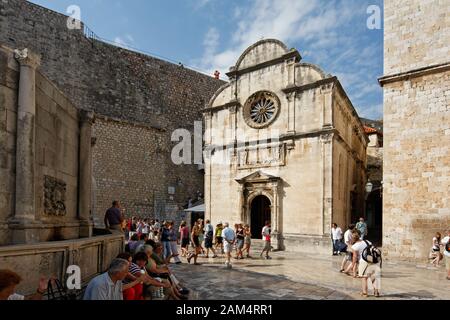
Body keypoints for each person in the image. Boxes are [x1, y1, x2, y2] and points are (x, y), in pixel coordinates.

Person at [351, 233, 381, 297]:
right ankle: (376, 292)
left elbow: (355, 257)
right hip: (372, 260)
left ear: (353, 239)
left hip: (363, 262)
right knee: (373, 277)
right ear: (359, 237)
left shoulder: (355, 246)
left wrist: (353, 265)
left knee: (364, 278)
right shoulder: (367, 241)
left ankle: (365, 293)